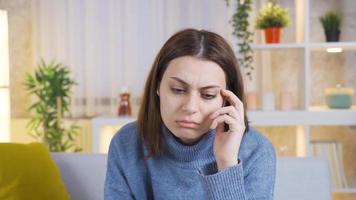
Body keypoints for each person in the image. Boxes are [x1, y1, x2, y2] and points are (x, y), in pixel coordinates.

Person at [104, 29, 276, 200]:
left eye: (208, 95)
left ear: (227, 99)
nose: (190, 107)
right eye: (178, 90)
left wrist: (226, 164)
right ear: (157, 86)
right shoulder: (126, 143)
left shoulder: (257, 151)